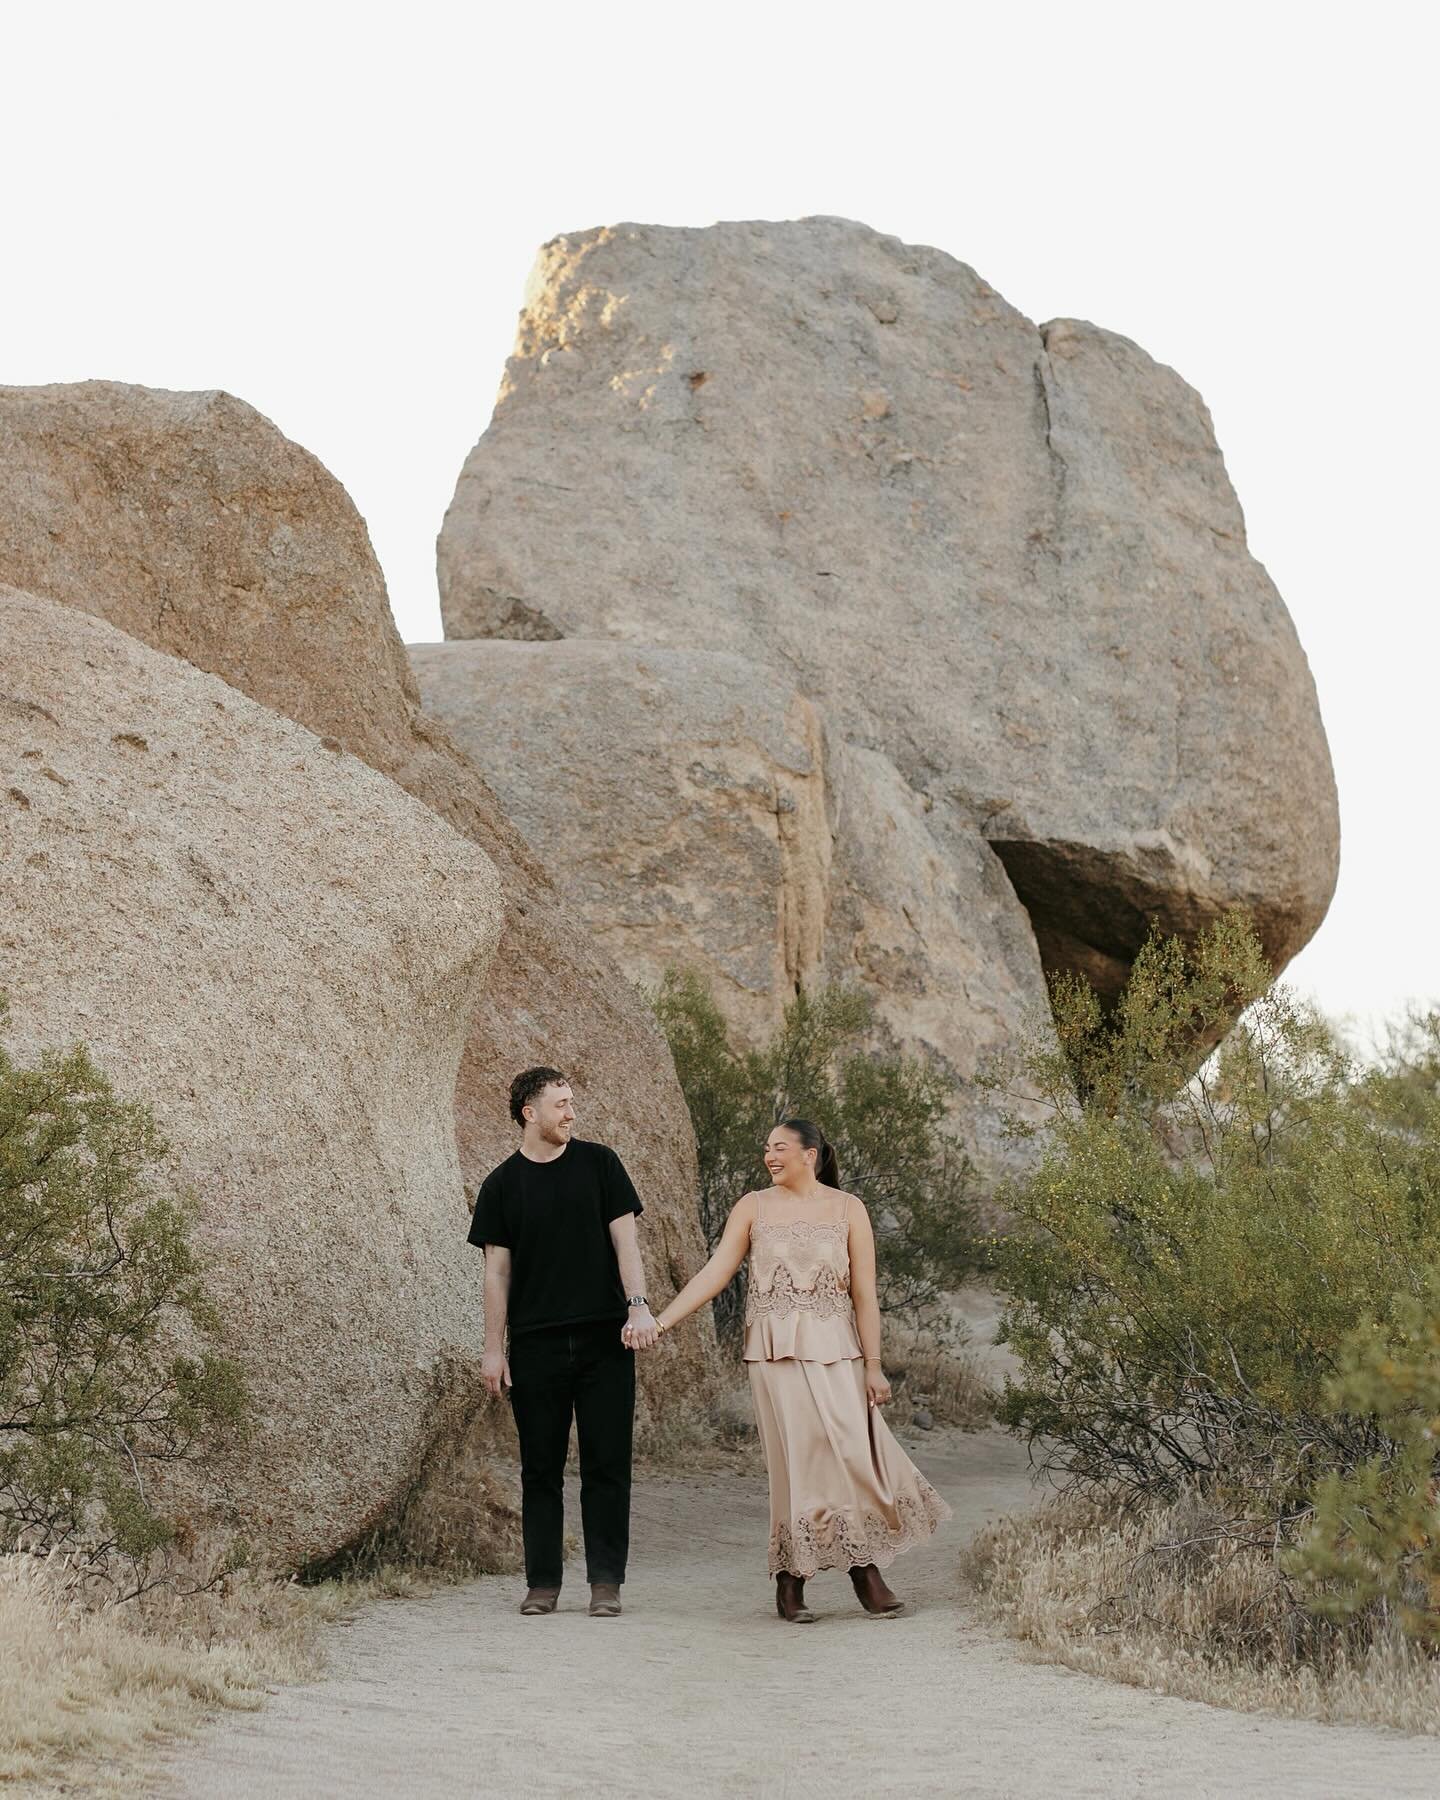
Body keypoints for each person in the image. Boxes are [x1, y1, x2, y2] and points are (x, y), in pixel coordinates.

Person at [654, 1117, 950, 1622]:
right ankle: (796, 1580)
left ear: (810, 1154)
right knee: (802, 1461)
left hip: (841, 1353)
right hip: (776, 1356)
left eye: (781, 1148)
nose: (771, 1156)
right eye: (767, 1149)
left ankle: (860, 1564)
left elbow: (865, 1295)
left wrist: (874, 1367)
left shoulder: (848, 1208)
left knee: (856, 1454)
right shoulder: (753, 1206)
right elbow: (715, 1273)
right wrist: (662, 1322)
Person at [469, 1068, 659, 1618]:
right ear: (530, 1112)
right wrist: (493, 1347)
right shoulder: (500, 1185)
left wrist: (638, 1306)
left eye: (572, 1102)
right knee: (540, 1468)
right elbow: (495, 1275)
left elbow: (627, 1245)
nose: (571, 1113)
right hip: (536, 1345)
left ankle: (605, 1583)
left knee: (607, 1465)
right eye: (561, 1104)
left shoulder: (601, 1165)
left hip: (606, 1339)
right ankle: (543, 1584)